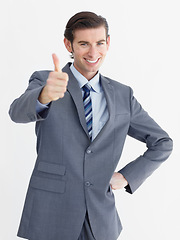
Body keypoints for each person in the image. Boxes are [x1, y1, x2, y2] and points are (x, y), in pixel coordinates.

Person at [9, 11, 173, 240]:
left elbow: (163, 143)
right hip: (51, 214)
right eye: (84, 43)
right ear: (69, 44)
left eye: (100, 43)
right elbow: (16, 113)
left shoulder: (123, 95)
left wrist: (127, 177)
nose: (93, 52)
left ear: (108, 43)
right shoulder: (47, 80)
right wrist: (44, 95)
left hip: (99, 219)